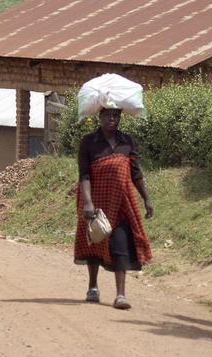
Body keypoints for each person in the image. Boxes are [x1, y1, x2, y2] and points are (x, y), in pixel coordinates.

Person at [75, 107, 153, 309]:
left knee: (120, 243)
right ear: (100, 117)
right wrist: (88, 202)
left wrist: (146, 198)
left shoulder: (127, 141)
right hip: (97, 200)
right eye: (108, 115)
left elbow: (135, 173)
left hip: (121, 202)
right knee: (95, 242)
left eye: (116, 115)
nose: (112, 119)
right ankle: (93, 287)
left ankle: (120, 295)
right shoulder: (89, 142)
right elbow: (84, 175)